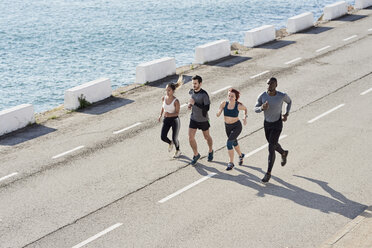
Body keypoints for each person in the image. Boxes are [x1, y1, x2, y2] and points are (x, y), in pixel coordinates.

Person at [254, 77, 292, 183]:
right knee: (273, 144)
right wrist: (261, 108)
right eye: (268, 84)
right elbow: (255, 109)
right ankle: (283, 153)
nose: (269, 86)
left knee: (271, 147)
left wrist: (286, 114)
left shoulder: (281, 95)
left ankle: (268, 173)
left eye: (271, 84)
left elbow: (289, 102)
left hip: (277, 124)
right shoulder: (262, 96)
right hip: (267, 124)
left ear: (276, 85)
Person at [216, 88, 248, 170]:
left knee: (229, 143)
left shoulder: (238, 106)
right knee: (234, 142)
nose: (230, 97)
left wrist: (245, 117)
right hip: (227, 127)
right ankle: (241, 155)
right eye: (229, 95)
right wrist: (219, 112)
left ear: (236, 98)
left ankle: (231, 163)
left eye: (232, 96)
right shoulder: (224, 103)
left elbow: (245, 109)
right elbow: (219, 110)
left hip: (237, 126)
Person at [188, 75, 213, 165]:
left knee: (206, 137)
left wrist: (195, 103)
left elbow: (207, 108)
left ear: (200, 83)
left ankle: (210, 151)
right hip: (193, 118)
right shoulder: (191, 92)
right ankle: (196, 154)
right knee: (191, 138)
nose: (193, 85)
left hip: (203, 120)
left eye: (195, 83)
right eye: (192, 83)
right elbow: (192, 101)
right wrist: (190, 105)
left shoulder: (204, 95)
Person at [158, 76, 183, 158]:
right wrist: (160, 115)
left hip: (175, 120)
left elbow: (177, 113)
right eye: (166, 90)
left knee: (174, 137)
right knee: (163, 137)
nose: (167, 92)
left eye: (169, 90)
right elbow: (163, 106)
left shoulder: (176, 101)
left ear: (173, 91)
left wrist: (169, 114)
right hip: (166, 120)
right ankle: (170, 143)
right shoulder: (163, 98)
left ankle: (178, 150)